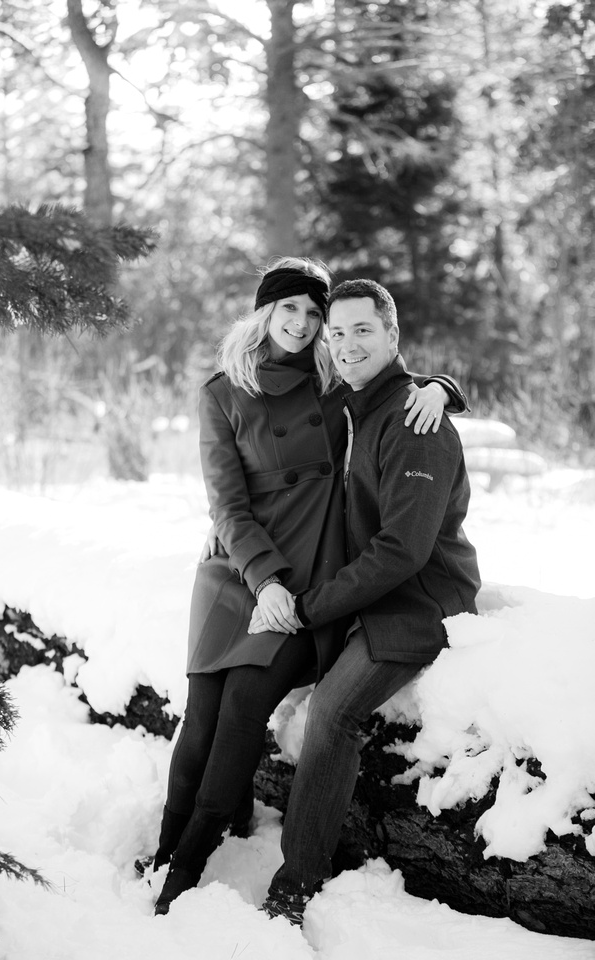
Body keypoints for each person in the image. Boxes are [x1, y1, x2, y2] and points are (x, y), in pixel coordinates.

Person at [152, 259, 468, 916]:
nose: (306, 326)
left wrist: (442, 387)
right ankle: (169, 852)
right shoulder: (228, 392)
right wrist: (264, 580)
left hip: (330, 583)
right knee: (203, 713)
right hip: (244, 571)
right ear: (263, 312)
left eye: (313, 315)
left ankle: (232, 868)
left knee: (265, 709)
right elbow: (228, 506)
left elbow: (392, 389)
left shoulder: (337, 389)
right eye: (290, 311)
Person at [249, 278, 481, 926]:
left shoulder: (414, 422)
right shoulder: (360, 406)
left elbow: (403, 551)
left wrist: (311, 605)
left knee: (331, 712)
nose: (347, 344)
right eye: (338, 332)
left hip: (418, 604)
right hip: (369, 596)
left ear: (392, 336)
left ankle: (297, 883)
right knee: (257, 671)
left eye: (362, 331)